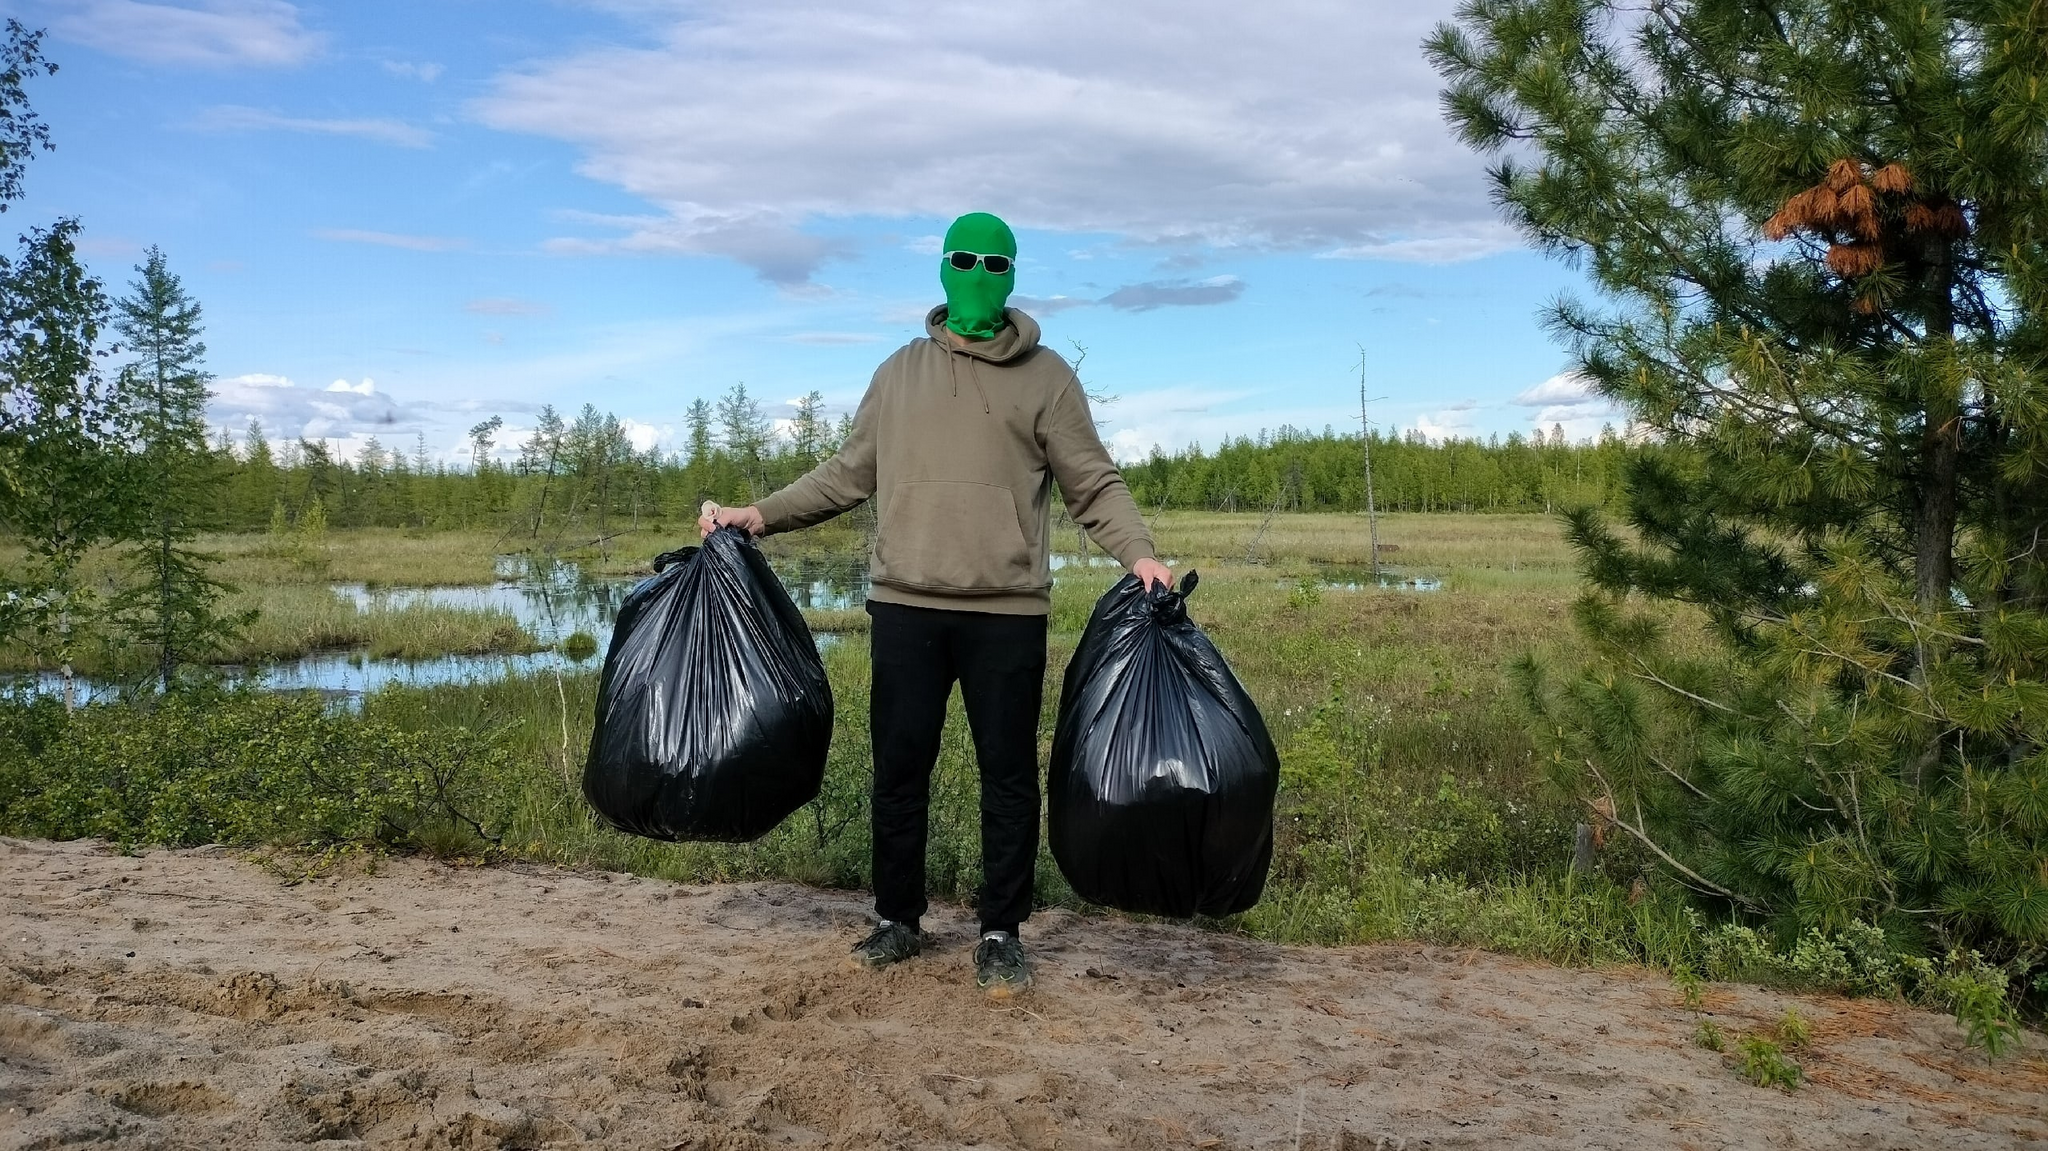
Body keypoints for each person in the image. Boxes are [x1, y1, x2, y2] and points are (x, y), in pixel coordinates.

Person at [699, 211, 1170, 998]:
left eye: (994, 261)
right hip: (905, 608)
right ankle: (896, 919)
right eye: (964, 258)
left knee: (1009, 776)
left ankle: (1000, 930)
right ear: (942, 268)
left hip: (1008, 613)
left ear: (1012, 274)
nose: (978, 272)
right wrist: (760, 514)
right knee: (900, 768)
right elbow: (846, 474)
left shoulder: (1048, 377)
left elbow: (1094, 482)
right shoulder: (899, 373)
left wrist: (1141, 553)